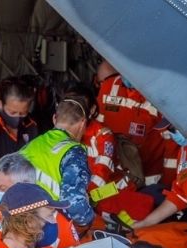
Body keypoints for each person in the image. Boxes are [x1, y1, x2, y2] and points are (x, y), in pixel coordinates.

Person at [63, 85, 155, 226]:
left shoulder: (103, 134)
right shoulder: (60, 133)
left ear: (92, 110)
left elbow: (102, 170)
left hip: (110, 192)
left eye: (79, 106)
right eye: (69, 105)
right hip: (80, 196)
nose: (74, 111)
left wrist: (85, 195)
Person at [19, 99, 96, 235]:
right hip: (49, 228)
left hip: (20, 223)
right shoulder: (73, 151)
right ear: (83, 123)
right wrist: (88, 220)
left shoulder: (31, 145)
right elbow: (75, 205)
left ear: (55, 118)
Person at [94, 60, 167, 186]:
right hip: (113, 172)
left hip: (148, 177)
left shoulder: (161, 96)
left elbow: (169, 143)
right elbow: (96, 129)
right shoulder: (108, 87)